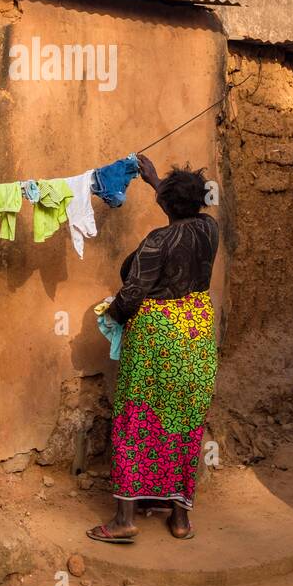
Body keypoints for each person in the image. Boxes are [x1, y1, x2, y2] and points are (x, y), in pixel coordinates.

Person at [88, 153, 219, 544]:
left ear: (167, 203)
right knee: (183, 419)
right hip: (196, 329)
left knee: (137, 421)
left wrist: (109, 315)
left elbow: (132, 294)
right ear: (199, 203)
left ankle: (124, 519)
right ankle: (180, 520)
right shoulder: (209, 229)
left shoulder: (158, 241)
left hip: (157, 335)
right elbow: (180, 208)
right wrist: (154, 181)